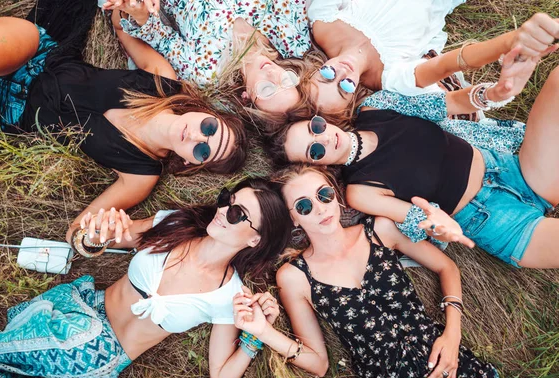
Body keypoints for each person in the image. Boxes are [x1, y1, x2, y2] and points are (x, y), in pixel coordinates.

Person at [0, 178, 291, 378]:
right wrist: (94, 235)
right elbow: (99, 240)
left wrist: (254, 337)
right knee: (83, 337)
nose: (222, 211)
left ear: (255, 238)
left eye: (237, 213)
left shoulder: (228, 297)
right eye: (226, 200)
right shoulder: (174, 222)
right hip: (79, 314)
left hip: (101, 363)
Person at [0, 0, 248, 244]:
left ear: (188, 163)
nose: (197, 138)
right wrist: (129, 9)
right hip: (38, 54)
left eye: (203, 152)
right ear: (205, 112)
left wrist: (105, 232)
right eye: (209, 128)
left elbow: (77, 232)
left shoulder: (141, 174)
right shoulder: (163, 80)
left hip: (6, 110)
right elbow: (121, 25)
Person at [265, 43, 559, 269]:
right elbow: (418, 220)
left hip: (511, 167)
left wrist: (494, 92)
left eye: (315, 128)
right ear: (317, 165)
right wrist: (439, 227)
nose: (324, 138)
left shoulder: (376, 108)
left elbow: (446, 104)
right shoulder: (360, 191)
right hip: (492, 220)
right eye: (315, 150)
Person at [233, 165, 510, 378]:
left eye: (324, 194)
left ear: (335, 195)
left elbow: (446, 267)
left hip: (445, 360)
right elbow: (318, 363)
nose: (320, 208)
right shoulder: (294, 277)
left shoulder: (380, 230)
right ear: (293, 218)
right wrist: (263, 331)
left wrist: (452, 334)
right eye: (304, 206)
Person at [303, 3, 559, 121]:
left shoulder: (321, 22)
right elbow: (450, 64)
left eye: (325, 74)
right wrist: (511, 41)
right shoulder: (389, 78)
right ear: (352, 98)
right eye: (343, 87)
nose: (340, 74)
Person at [101, 0, 312, 114]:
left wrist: (139, 12)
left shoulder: (206, 73)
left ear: (247, 98)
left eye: (267, 89)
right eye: (286, 81)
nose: (273, 74)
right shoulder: (292, 41)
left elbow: (161, 37)